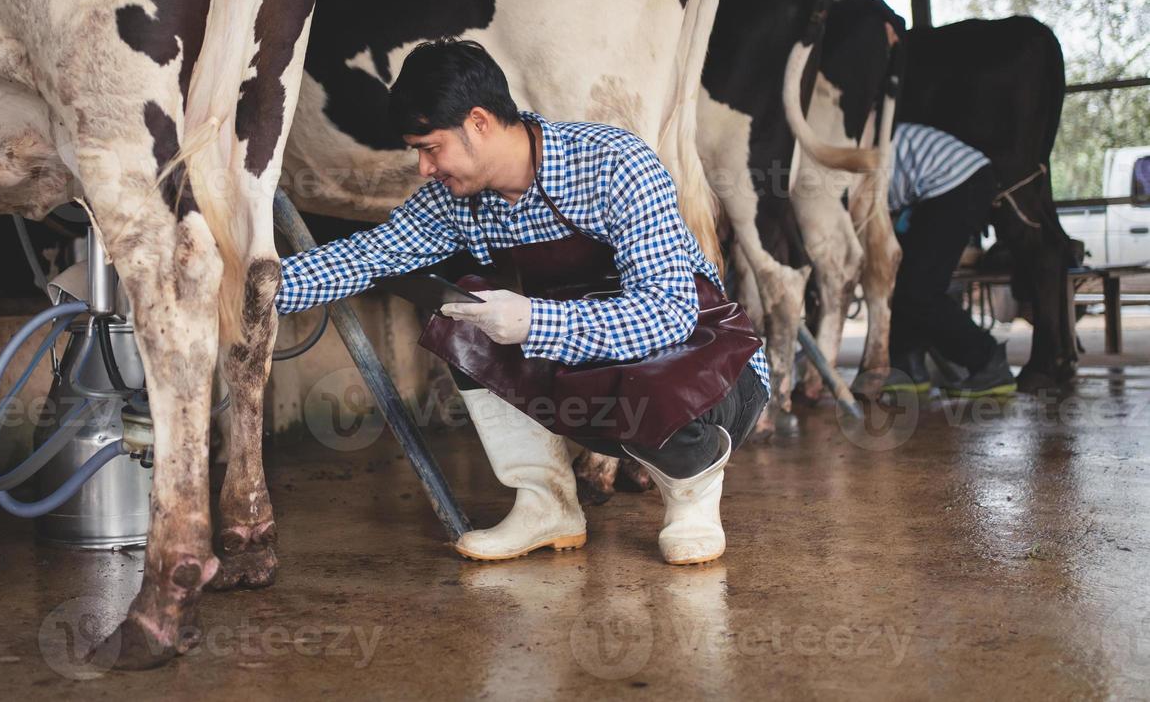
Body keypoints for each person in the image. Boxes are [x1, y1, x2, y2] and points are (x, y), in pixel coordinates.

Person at [276, 39, 769, 565]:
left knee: (649, 362)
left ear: (480, 122)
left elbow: (667, 315)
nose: (423, 168)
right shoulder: (455, 201)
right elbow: (371, 255)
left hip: (711, 371)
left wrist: (535, 319)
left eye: (429, 147)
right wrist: (257, 290)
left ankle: (692, 491)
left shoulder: (614, 163)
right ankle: (546, 502)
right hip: (601, 375)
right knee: (464, 317)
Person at [882, 121, 1017, 397]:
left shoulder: (852, 163)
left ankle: (989, 361)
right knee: (908, 278)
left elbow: (876, 218)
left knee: (920, 289)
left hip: (958, 183)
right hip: (953, 181)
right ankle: (906, 365)